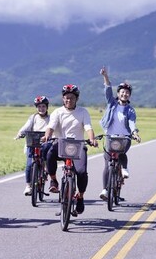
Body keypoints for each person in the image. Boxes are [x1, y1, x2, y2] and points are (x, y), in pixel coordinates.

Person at [42, 84, 98, 214]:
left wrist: (92, 139)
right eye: (66, 98)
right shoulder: (57, 112)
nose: (69, 100)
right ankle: (53, 180)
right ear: (63, 99)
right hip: (61, 144)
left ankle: (80, 196)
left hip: (78, 146)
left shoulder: (83, 112)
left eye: (72, 98)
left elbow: (88, 127)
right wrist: (47, 136)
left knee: (81, 171)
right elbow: (51, 126)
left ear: (76, 99)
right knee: (50, 153)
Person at [98, 66, 141, 201]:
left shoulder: (130, 110)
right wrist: (105, 76)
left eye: (127, 93)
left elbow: (132, 122)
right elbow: (108, 89)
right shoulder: (112, 103)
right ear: (118, 93)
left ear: (129, 95)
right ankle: (105, 190)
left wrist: (134, 133)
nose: (124, 94)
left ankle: (124, 168)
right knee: (107, 164)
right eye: (122, 92)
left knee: (122, 153)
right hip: (110, 137)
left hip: (124, 138)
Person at [14, 96, 51, 196]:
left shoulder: (51, 118)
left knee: (47, 157)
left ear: (47, 107)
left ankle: (46, 170)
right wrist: (20, 133)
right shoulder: (33, 117)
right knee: (30, 164)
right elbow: (26, 126)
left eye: (43, 106)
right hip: (33, 142)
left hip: (45, 142)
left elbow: (54, 128)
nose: (41, 109)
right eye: (39, 107)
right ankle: (28, 185)